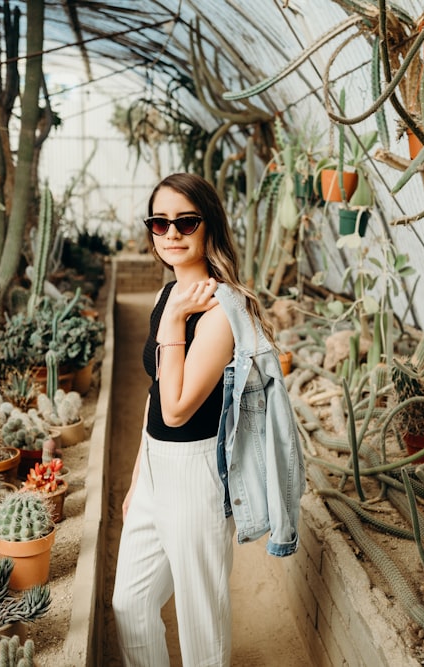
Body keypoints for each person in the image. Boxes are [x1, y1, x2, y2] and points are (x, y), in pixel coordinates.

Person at [111, 173, 304, 667]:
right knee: (129, 605)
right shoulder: (164, 297)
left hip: (196, 474)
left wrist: (176, 322)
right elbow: (155, 399)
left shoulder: (220, 311)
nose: (170, 233)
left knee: (201, 627)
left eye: (185, 222)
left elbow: (178, 409)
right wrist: (138, 478)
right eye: (159, 222)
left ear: (208, 226)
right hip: (156, 469)